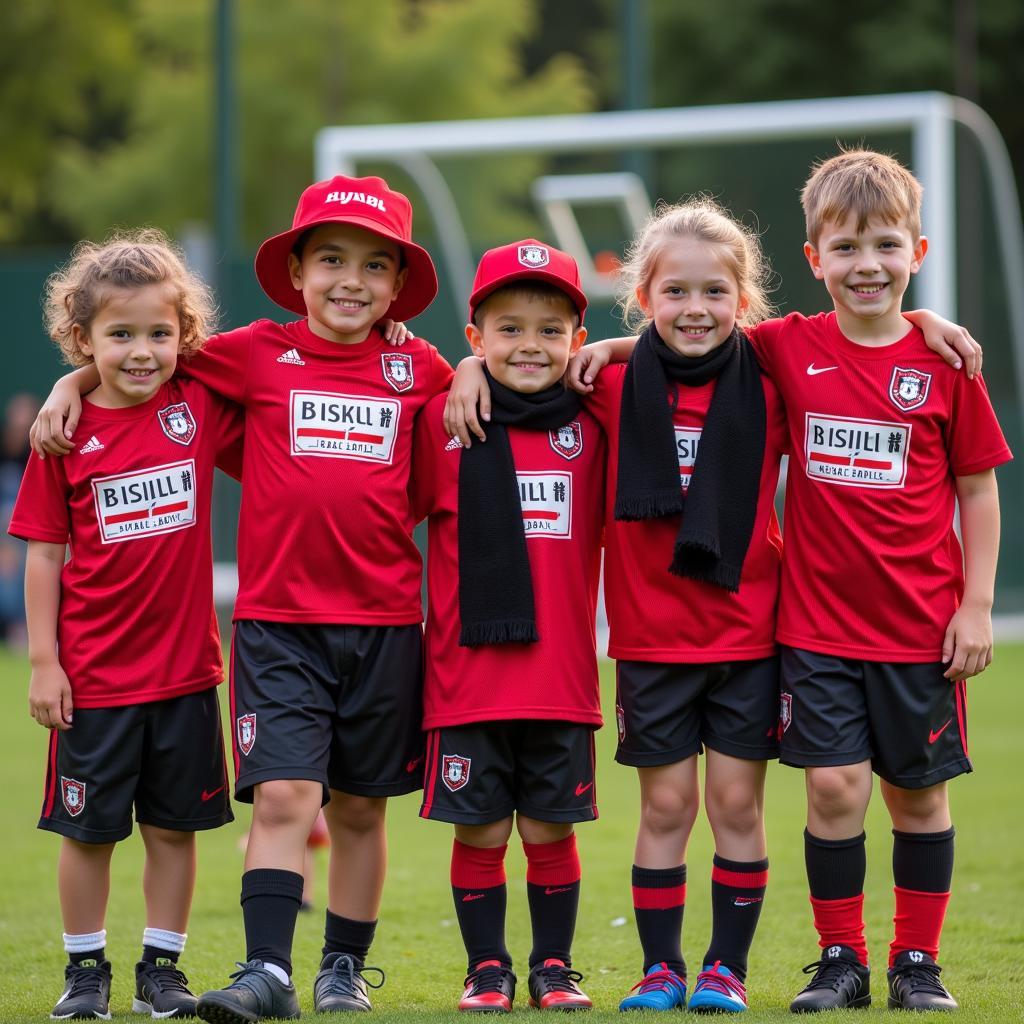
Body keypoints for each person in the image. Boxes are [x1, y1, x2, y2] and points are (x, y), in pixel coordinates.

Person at [29, 176, 453, 1022]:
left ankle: (343, 969)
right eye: (331, 259)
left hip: (384, 627)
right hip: (276, 627)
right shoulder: (254, 352)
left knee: (363, 808)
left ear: (397, 287)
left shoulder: (423, 368)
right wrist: (65, 387)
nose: (351, 281)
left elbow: (446, 475)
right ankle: (269, 972)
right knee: (291, 796)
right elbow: (142, 362)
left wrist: (470, 369)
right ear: (296, 270)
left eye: (375, 267)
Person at [447, 203, 786, 1014]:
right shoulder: (604, 385)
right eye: (675, 291)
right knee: (666, 807)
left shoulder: (774, 382)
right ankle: (662, 969)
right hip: (650, 643)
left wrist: (922, 317)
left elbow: (851, 345)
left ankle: (726, 971)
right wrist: (466, 370)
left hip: (747, 633)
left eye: (714, 291)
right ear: (643, 295)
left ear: (744, 300)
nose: (695, 307)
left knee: (736, 807)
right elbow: (512, 370)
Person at [747, 149, 1010, 1013]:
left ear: (918, 253)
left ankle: (917, 963)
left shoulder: (945, 364)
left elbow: (977, 486)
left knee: (918, 796)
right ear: (815, 257)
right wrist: (602, 344)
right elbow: (690, 343)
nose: (869, 265)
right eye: (848, 248)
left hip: (921, 627)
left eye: (886, 246)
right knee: (833, 788)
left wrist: (975, 607)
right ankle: (842, 959)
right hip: (816, 626)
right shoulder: (787, 346)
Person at [10, 229, 240, 1020]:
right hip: (95, 679)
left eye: (158, 334)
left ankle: (162, 971)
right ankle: (86, 974)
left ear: (184, 337)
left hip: (185, 675)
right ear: (83, 338)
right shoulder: (62, 437)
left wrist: (68, 379)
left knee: (175, 831)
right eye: (119, 336)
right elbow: (42, 558)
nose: (141, 352)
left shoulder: (197, 402)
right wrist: (45, 661)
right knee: (90, 833)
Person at [412, 240, 605, 1013]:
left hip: (561, 678)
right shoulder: (442, 421)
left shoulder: (597, 421)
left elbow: (686, 356)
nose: (530, 345)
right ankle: (486, 967)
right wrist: (458, 379)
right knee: (484, 833)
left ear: (578, 343)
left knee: (552, 833)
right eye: (509, 328)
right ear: (475, 337)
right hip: (468, 678)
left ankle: (554, 967)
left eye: (551, 329)